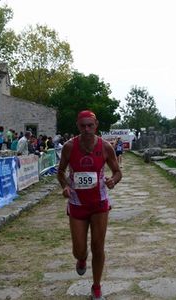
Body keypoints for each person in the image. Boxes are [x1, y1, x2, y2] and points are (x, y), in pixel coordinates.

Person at [57, 110, 122, 300]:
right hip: (77, 203)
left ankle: (96, 287)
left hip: (99, 203)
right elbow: (60, 172)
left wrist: (113, 181)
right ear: (78, 126)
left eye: (90, 125)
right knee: (78, 249)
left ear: (96, 125)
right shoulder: (69, 147)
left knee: (98, 246)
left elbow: (118, 172)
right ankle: (81, 258)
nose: (86, 129)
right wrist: (65, 186)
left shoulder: (105, 147)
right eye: (83, 125)